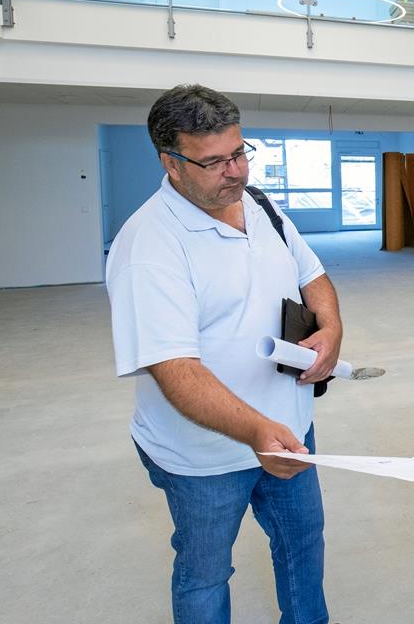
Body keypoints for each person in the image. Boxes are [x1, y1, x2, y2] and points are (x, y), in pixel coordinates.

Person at [106, 84, 343, 624]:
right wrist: (259, 431)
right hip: (203, 458)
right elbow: (176, 372)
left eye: (239, 153)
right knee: (205, 575)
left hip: (291, 434)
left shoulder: (258, 204)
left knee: (303, 549)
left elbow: (314, 276)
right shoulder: (149, 246)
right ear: (171, 163)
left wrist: (330, 328)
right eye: (214, 162)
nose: (235, 172)